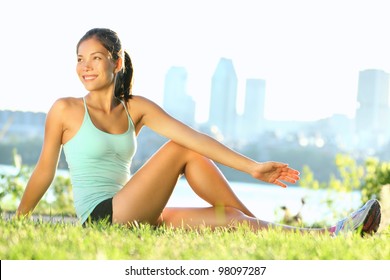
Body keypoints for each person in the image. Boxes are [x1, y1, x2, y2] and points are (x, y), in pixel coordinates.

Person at [16, 28, 381, 236]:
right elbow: (45, 169)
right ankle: (291, 229)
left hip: (137, 210)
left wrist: (252, 166)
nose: (85, 66)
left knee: (231, 219)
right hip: (101, 218)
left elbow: (197, 139)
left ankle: (325, 236)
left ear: (117, 62)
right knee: (180, 150)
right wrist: (19, 221)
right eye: (80, 58)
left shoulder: (135, 107)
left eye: (95, 57)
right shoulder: (65, 109)